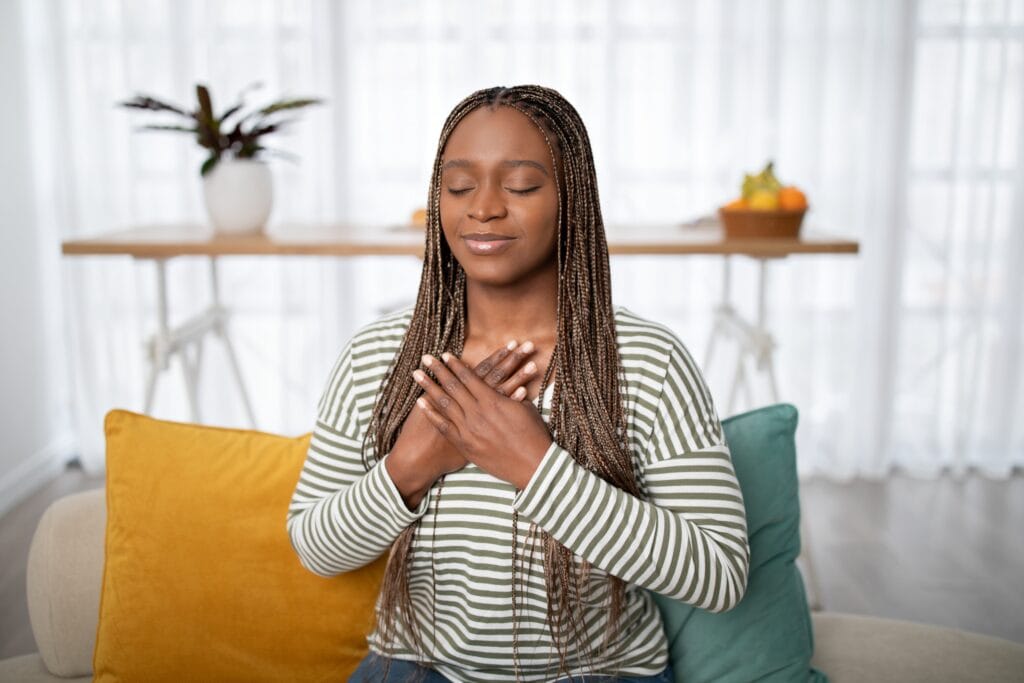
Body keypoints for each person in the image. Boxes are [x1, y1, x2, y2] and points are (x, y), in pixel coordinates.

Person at [287, 85, 750, 682]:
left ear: (571, 199)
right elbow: (316, 548)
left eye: (522, 186)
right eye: (459, 186)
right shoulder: (377, 355)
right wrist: (409, 468)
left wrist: (534, 464)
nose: (483, 208)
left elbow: (719, 574)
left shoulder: (647, 360)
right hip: (414, 669)